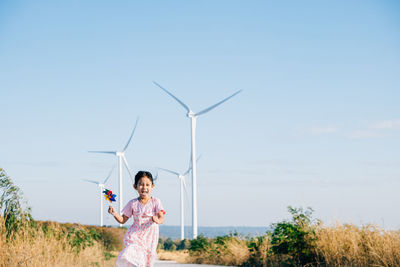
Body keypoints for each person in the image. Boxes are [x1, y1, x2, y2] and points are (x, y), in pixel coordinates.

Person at [108, 171, 165, 267]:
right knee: (132, 253)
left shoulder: (156, 202)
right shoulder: (132, 203)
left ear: (152, 187)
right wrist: (114, 213)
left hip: (150, 236)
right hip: (135, 234)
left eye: (147, 185)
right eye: (141, 185)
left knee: (146, 261)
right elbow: (123, 219)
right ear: (135, 186)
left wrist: (157, 220)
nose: (144, 187)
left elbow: (161, 217)